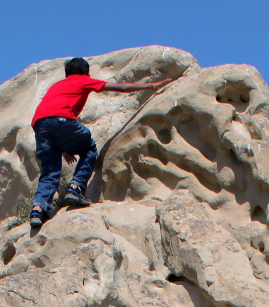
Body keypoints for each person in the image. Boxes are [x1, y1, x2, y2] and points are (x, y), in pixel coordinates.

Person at [29, 58, 174, 235]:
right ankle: (76, 188)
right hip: (62, 120)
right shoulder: (83, 80)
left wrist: (63, 148)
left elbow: (50, 119)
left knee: (49, 171)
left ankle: (38, 209)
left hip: (40, 125)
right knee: (89, 149)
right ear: (86, 72)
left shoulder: (57, 86)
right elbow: (120, 87)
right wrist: (150, 85)